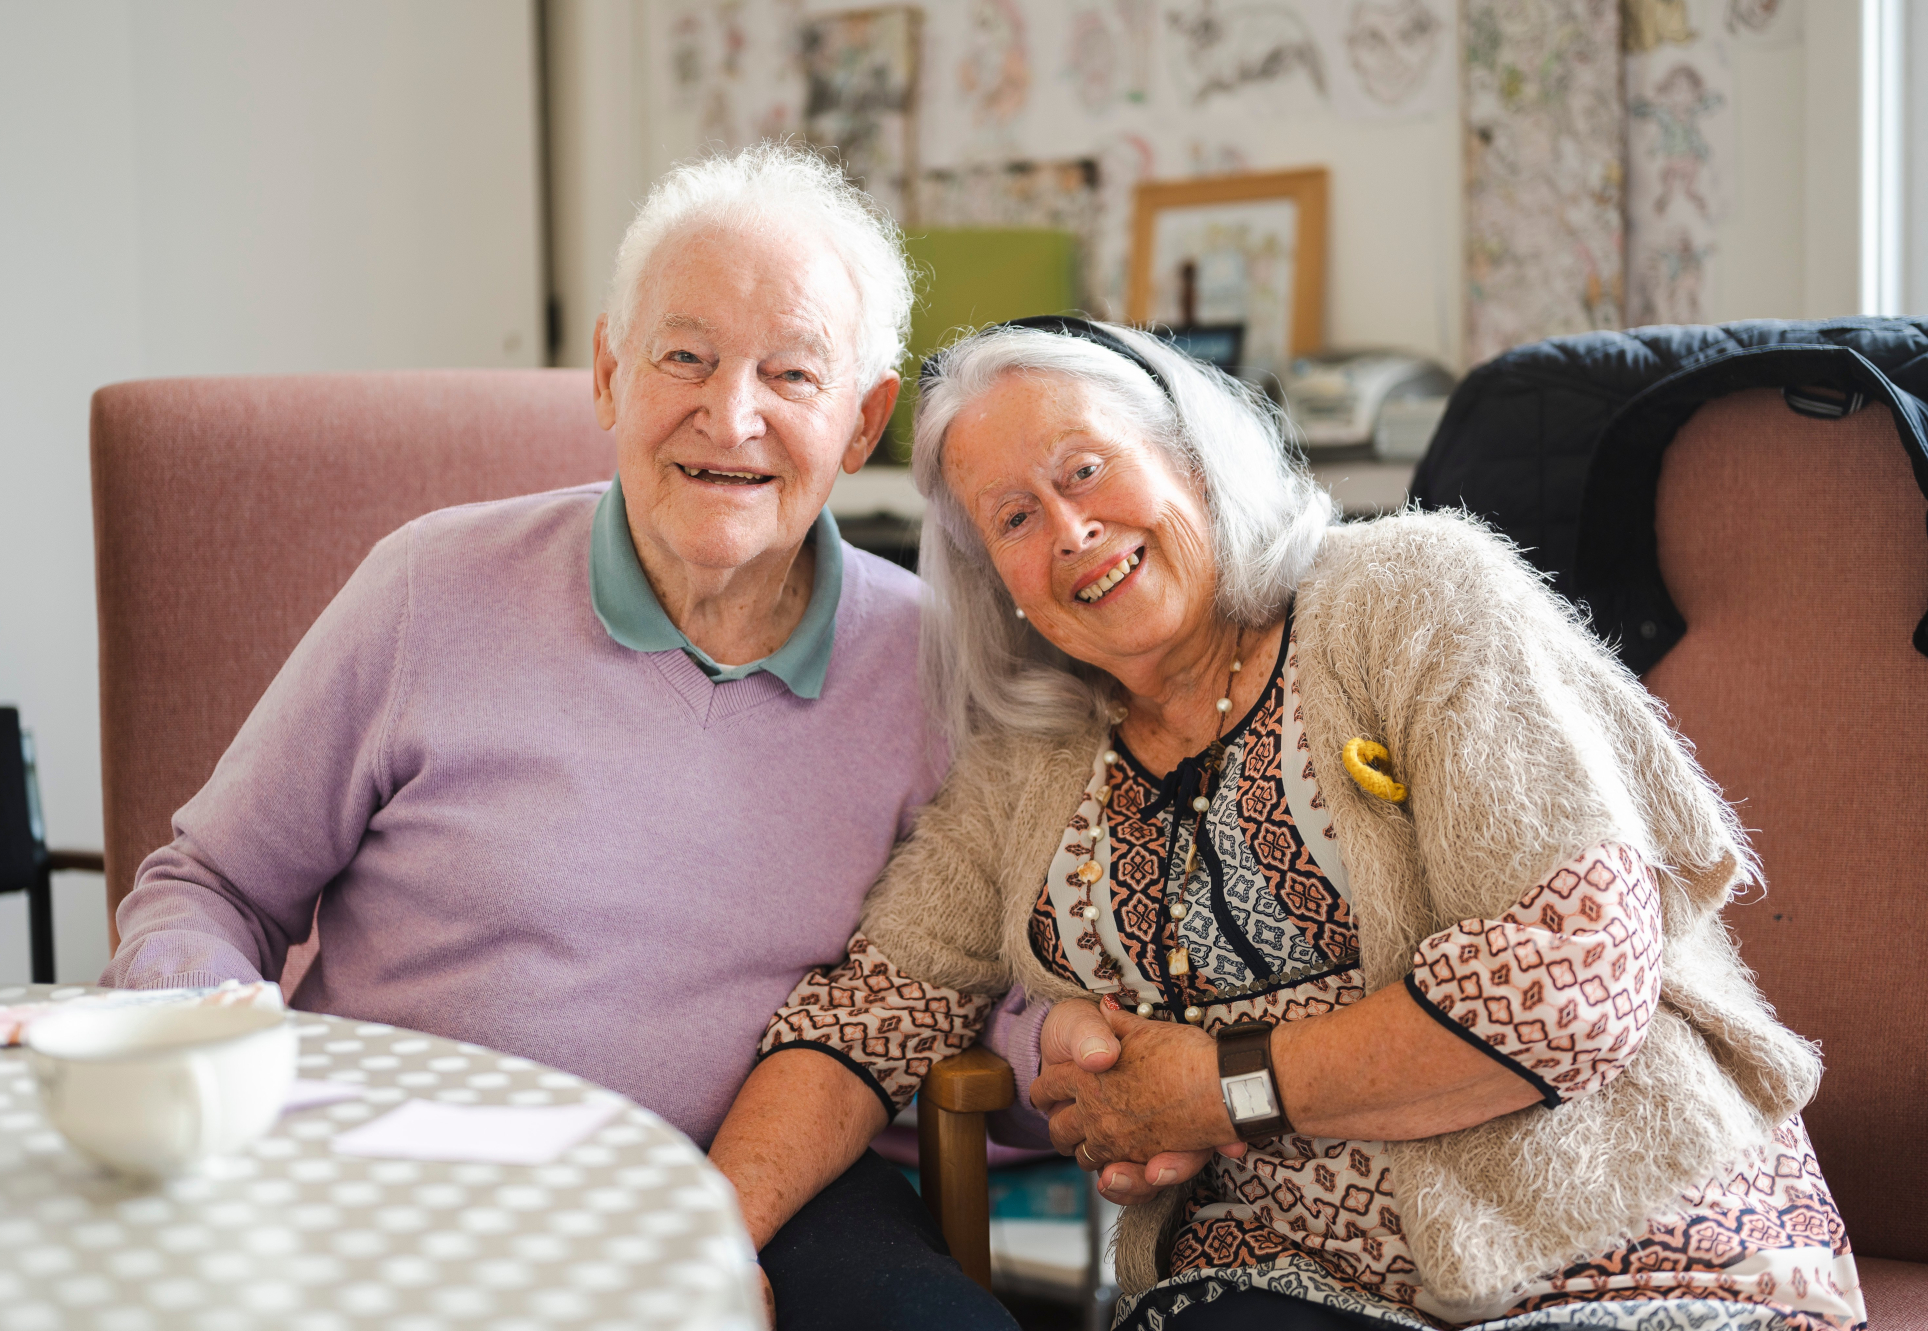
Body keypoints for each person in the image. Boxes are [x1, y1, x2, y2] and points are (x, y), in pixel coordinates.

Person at [712, 317, 1866, 1331]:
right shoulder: (1027, 766)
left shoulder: (1411, 598)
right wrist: (707, 1243)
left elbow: (1564, 979)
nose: (1068, 529)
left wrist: (1216, 1088)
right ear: (992, 577)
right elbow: (870, 1012)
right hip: (1281, 1288)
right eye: (1015, 515)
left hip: (1615, 1247)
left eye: (1086, 468)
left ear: (1191, 461)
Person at [101, 145, 1015, 1331]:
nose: (728, 414)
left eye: (790, 372)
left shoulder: (934, 664)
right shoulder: (429, 586)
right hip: (415, 1161)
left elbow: (969, 977)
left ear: (862, 421)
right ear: (607, 372)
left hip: (764, 1163)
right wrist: (201, 1042)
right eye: (682, 356)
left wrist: (1098, 1054)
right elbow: (208, 885)